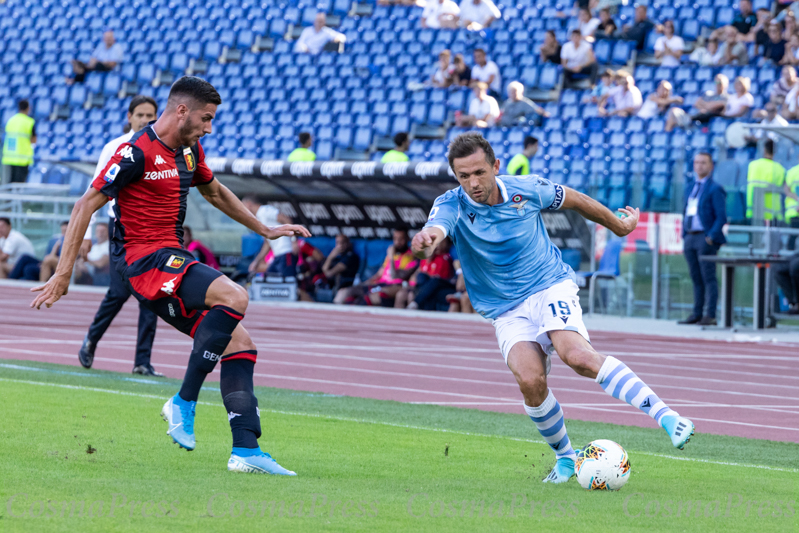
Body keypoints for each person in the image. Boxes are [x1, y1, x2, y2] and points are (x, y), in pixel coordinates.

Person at [31, 76, 311, 476]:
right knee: (235, 297)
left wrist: (264, 229)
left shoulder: (190, 150)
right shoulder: (135, 152)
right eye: (206, 118)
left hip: (171, 259)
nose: (209, 128)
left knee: (240, 344)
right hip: (143, 261)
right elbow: (83, 206)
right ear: (182, 110)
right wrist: (63, 275)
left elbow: (215, 193)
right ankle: (183, 401)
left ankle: (246, 450)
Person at [413, 132, 694, 484]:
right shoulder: (451, 203)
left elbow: (574, 199)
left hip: (548, 285)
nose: (472, 183)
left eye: (479, 173)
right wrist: (425, 242)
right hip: (505, 309)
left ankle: (667, 416)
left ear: (495, 166)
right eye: (463, 176)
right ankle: (565, 458)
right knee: (530, 380)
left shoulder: (527, 188)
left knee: (577, 356)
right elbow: (434, 231)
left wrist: (619, 226)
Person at [76, 95, 162, 377]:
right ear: (129, 117)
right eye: (141, 115)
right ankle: (91, 340)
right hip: (122, 229)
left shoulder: (162, 147)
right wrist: (87, 233)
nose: (146, 120)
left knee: (152, 296)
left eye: (151, 115)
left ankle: (142, 362)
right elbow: (92, 191)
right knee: (118, 292)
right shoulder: (115, 147)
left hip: (153, 230)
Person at [677, 153, 727, 326]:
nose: (699, 166)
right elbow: (685, 211)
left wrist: (711, 237)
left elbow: (721, 217)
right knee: (695, 277)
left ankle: (710, 314)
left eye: (703, 163)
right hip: (690, 237)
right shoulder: (690, 187)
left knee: (708, 278)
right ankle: (697, 313)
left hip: (705, 238)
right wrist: (684, 234)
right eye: (697, 162)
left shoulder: (715, 188)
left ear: (711, 165)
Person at [334, 227, 419, 306]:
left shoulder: (411, 257)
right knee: (345, 292)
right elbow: (378, 274)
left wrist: (391, 257)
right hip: (379, 284)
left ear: (407, 238)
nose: (397, 242)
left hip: (392, 287)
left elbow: (394, 276)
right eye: (395, 239)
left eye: (400, 239)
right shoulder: (391, 254)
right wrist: (362, 284)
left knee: (362, 300)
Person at [242, 196, 293, 275]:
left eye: (243, 206)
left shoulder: (264, 211)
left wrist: (293, 241)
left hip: (286, 252)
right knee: (271, 280)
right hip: (278, 255)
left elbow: (285, 219)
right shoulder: (259, 218)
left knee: (287, 282)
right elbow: (267, 243)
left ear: (249, 204)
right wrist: (256, 262)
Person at [403, 237, 455, 311]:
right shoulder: (427, 259)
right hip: (430, 287)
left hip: (444, 285)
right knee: (421, 277)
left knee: (433, 283)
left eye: (442, 242)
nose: (438, 245)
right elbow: (419, 276)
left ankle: (415, 303)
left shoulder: (446, 258)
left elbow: (439, 279)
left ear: (448, 244)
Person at [746, 139, 787, 221]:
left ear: (764, 150)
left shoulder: (752, 165)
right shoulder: (780, 169)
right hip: (772, 214)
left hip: (753, 211)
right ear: (775, 152)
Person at [2, 99, 36, 184]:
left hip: (10, 156)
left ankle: (8, 197)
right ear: (28, 108)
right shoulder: (29, 122)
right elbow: (34, 139)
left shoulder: (11, 120)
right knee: (20, 184)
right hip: (22, 157)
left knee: (10, 182)